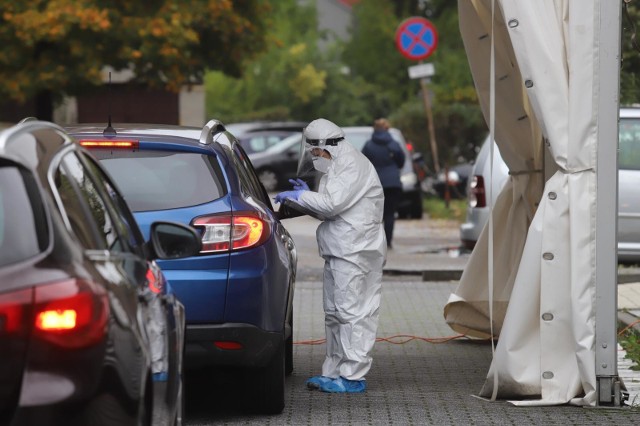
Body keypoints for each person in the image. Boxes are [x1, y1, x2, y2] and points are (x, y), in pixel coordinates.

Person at [274, 118, 386, 394]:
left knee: (352, 313)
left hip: (355, 251)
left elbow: (332, 205)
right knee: (335, 314)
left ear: (326, 146)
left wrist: (301, 197)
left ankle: (352, 375)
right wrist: (303, 198)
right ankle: (334, 371)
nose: (313, 157)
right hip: (341, 250)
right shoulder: (337, 167)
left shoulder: (351, 164)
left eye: (314, 152)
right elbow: (328, 210)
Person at [361, 118, 406, 249]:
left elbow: (363, 163)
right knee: (389, 213)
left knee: (374, 214)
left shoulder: (368, 145)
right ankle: (388, 241)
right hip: (392, 184)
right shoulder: (393, 144)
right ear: (387, 129)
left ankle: (374, 240)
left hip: (375, 184)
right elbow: (401, 162)